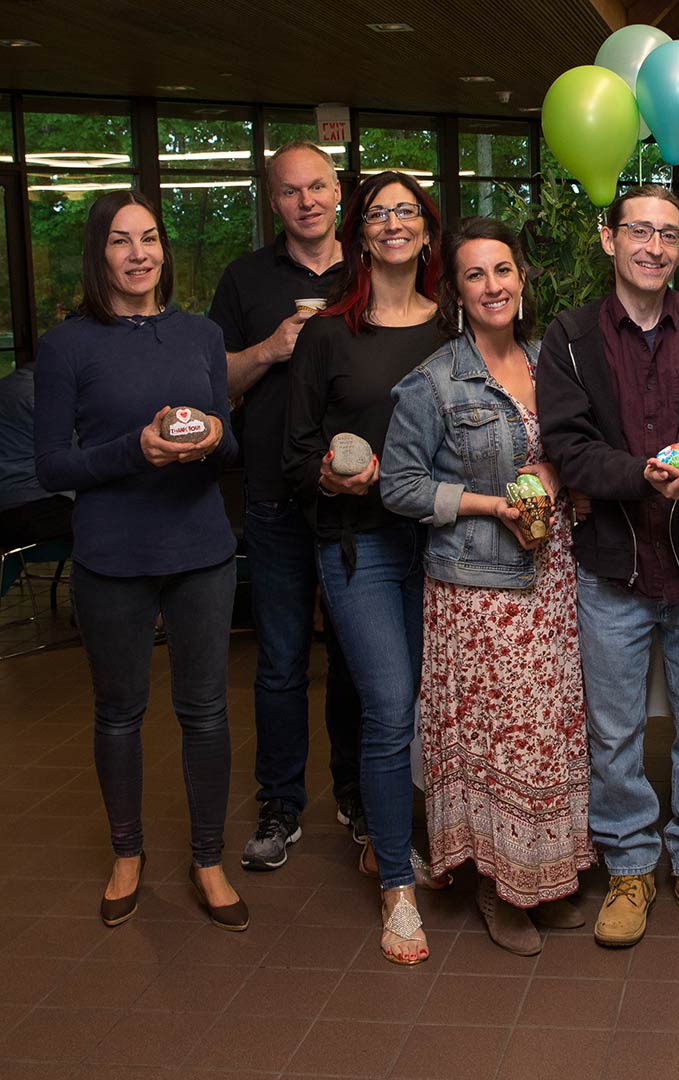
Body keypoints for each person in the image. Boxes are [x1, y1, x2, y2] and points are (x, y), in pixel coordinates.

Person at [536, 185, 679, 949]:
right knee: (615, 732)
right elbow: (567, 443)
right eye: (639, 232)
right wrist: (640, 475)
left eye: (668, 235)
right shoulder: (568, 337)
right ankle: (629, 865)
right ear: (608, 239)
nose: (653, 247)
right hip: (612, 568)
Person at [33, 191, 247, 931]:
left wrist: (217, 437)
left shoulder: (201, 334)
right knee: (120, 714)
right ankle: (128, 855)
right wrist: (138, 450)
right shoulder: (67, 346)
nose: (137, 254)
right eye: (120, 241)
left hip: (200, 552)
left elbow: (233, 447)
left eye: (149, 238)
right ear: (99, 254)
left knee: (207, 713)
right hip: (112, 556)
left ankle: (209, 859)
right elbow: (54, 464)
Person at [382, 217, 594, 955]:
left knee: (550, 734)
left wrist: (557, 476)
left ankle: (548, 878)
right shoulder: (435, 380)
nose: (493, 285)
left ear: (522, 279)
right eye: (475, 275)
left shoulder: (549, 361)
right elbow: (400, 487)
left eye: (502, 270)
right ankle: (497, 890)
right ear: (458, 293)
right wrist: (489, 504)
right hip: (477, 589)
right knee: (496, 743)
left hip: (552, 577)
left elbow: (568, 449)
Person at [284, 171, 450, 964]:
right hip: (361, 547)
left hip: (447, 551)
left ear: (427, 231)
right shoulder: (326, 337)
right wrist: (329, 474)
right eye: (378, 213)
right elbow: (294, 453)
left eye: (405, 212)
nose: (392, 224)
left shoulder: (454, 327)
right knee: (388, 705)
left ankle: (409, 838)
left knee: (428, 711)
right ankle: (395, 883)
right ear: (360, 233)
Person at [208, 139, 365, 871]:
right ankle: (281, 805)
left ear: (338, 192)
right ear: (273, 202)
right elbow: (217, 386)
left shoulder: (366, 270)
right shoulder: (244, 280)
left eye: (318, 187)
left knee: (357, 658)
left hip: (353, 500)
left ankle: (357, 793)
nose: (306, 201)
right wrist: (271, 348)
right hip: (272, 498)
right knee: (277, 662)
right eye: (290, 191)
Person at [0, 356, 74, 554]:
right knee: (112, 515)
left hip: (10, 504)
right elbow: (81, 450)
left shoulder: (10, 385)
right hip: (28, 509)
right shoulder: (39, 397)